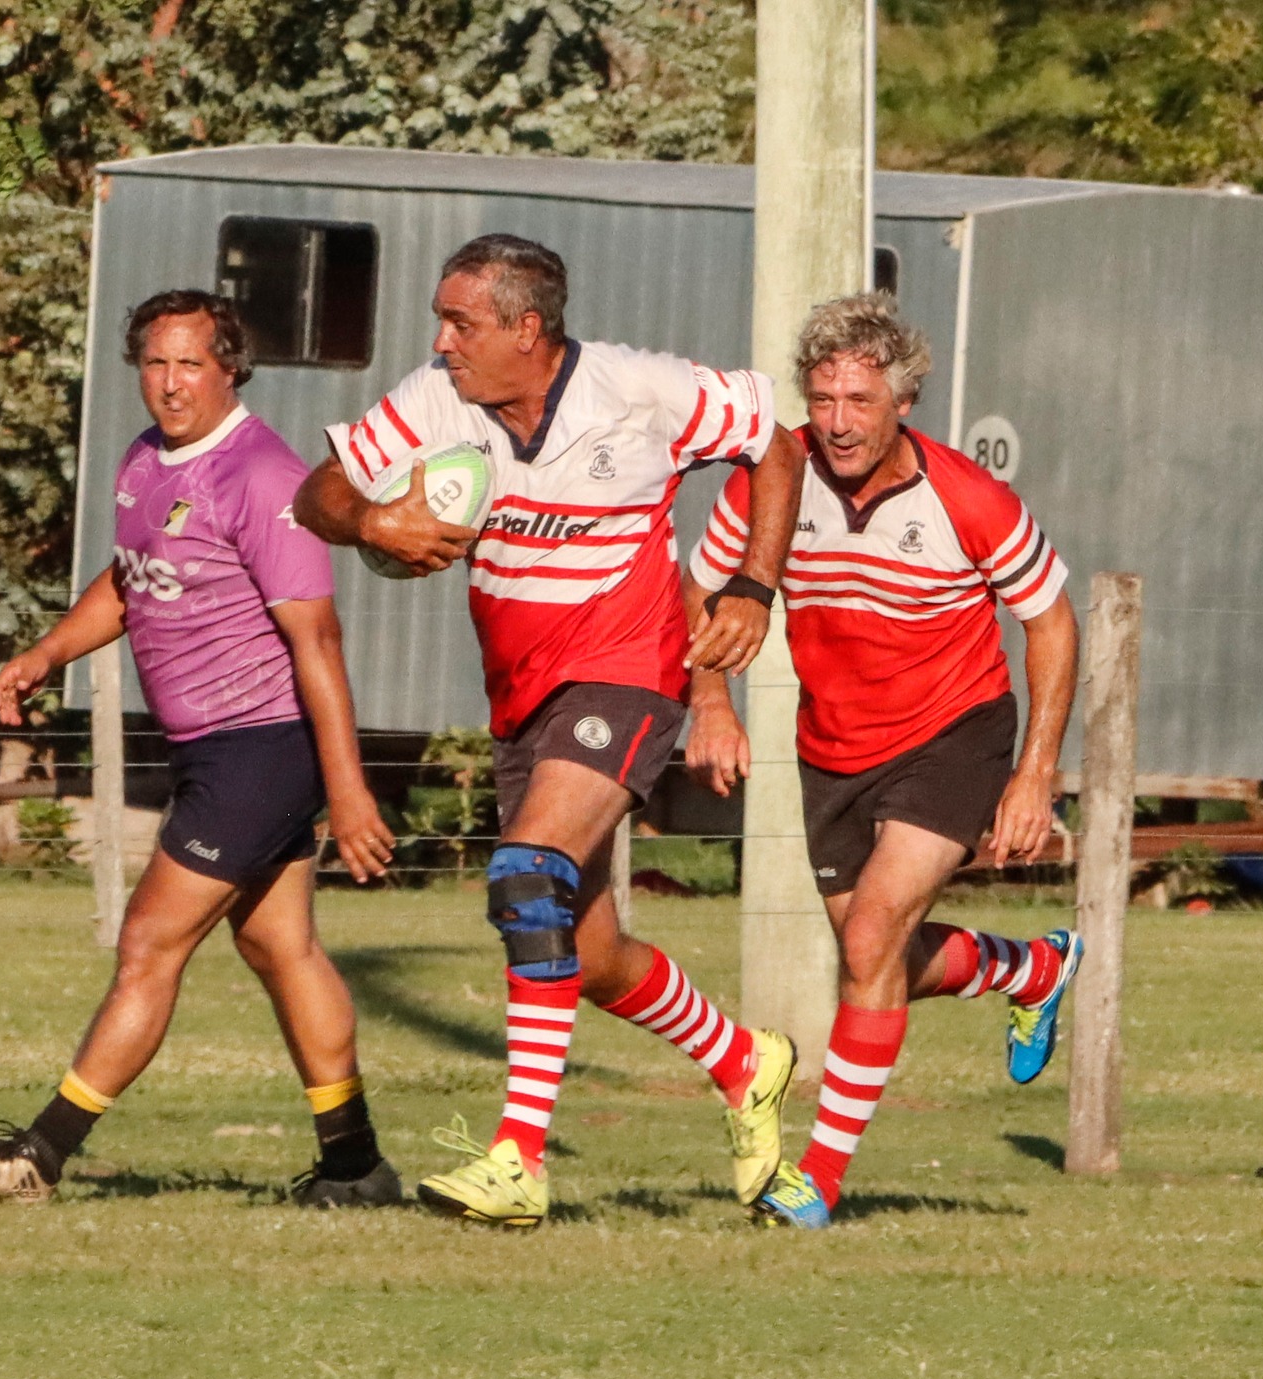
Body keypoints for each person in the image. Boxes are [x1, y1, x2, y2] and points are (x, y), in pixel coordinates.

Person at [294, 234, 809, 1227]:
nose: (439, 340)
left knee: (525, 875)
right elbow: (314, 493)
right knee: (591, 949)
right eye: (440, 321)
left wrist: (752, 583)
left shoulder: (636, 389)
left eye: (460, 322)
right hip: (520, 696)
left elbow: (774, 442)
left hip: (629, 672)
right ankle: (746, 1060)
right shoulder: (435, 398)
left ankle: (517, 1158)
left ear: (526, 328)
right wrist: (370, 523)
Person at [0, 289, 401, 1208]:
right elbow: (129, 579)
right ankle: (355, 1166)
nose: (170, 383)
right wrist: (44, 653)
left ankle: (38, 1155)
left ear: (231, 368)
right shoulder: (146, 460)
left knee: (148, 940)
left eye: (191, 363)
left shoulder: (265, 477)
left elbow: (319, 643)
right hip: (211, 749)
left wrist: (348, 794)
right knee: (282, 948)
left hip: (260, 749)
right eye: (154, 362)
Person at [685, 291, 1082, 1229]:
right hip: (831, 750)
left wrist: (1033, 773)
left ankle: (816, 1181)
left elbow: (1052, 621)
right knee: (882, 955)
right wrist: (709, 702)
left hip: (954, 734)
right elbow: (702, 590)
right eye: (822, 399)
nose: (836, 422)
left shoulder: (966, 498)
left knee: (867, 944)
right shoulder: (769, 481)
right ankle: (1026, 971)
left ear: (904, 399)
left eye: (858, 401)